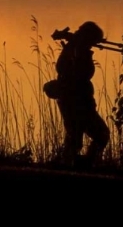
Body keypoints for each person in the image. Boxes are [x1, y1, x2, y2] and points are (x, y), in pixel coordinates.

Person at [44, 21, 110, 168]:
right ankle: (78, 166)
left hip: (74, 100)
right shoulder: (77, 50)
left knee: (76, 137)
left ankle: (73, 165)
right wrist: (81, 48)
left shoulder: (74, 48)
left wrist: (78, 45)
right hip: (77, 102)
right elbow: (82, 73)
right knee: (98, 135)